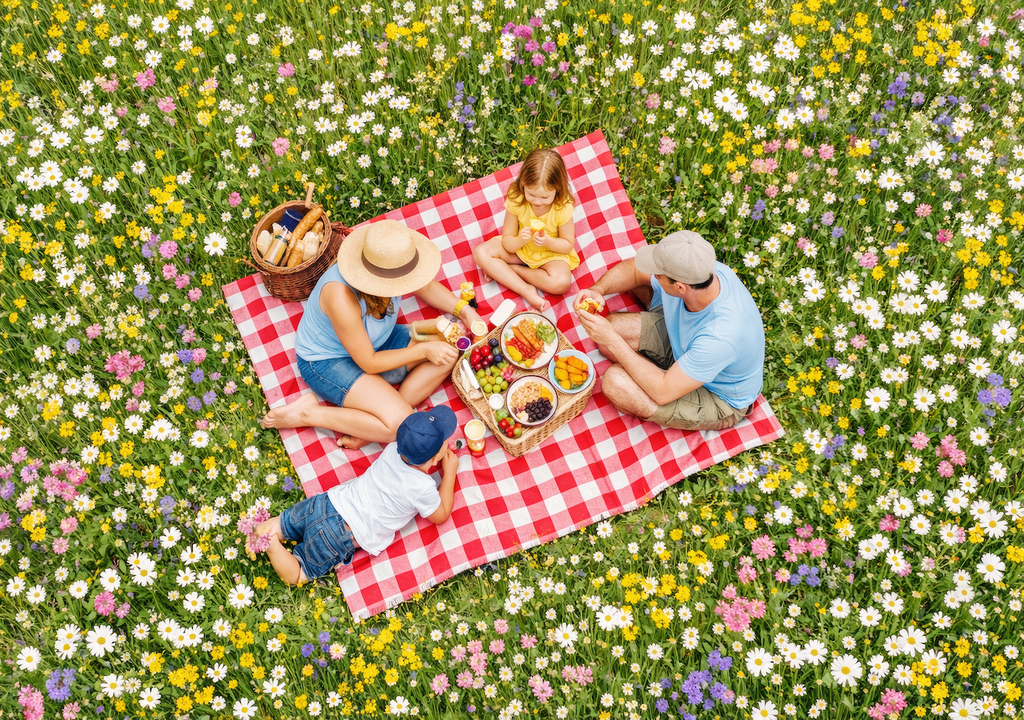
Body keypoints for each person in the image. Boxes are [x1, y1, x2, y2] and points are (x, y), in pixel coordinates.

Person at [260, 219, 485, 449]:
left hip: (377, 343)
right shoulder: (340, 297)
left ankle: (372, 423)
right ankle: (307, 412)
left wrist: (465, 311)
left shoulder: (390, 262)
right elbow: (368, 362)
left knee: (452, 346)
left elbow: (425, 287)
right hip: (328, 362)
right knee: (399, 422)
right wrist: (423, 349)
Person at [574, 230, 764, 431]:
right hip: (684, 347)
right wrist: (598, 289)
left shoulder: (721, 336)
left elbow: (662, 392)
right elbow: (636, 270)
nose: (652, 275)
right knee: (611, 331)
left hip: (718, 396)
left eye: (658, 275)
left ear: (680, 288)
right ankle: (663, 374)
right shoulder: (701, 270)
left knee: (616, 382)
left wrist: (613, 341)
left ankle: (663, 381)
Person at [254, 408, 460, 585]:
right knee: (299, 574)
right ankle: (271, 545)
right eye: (445, 441)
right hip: (338, 534)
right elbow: (440, 515)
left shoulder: (392, 450)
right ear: (434, 459)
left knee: (283, 525)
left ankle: (262, 531)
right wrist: (449, 472)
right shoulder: (423, 487)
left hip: (325, 504)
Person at [473, 148, 579, 311]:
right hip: (520, 249)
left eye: (545, 197)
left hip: (550, 254)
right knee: (480, 253)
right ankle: (526, 289)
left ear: (558, 189)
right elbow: (508, 240)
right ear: (523, 184)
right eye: (531, 194)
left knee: (562, 283)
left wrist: (548, 241)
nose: (537, 201)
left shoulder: (562, 207)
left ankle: (507, 270)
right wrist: (520, 239)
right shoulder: (517, 198)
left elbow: (567, 245)